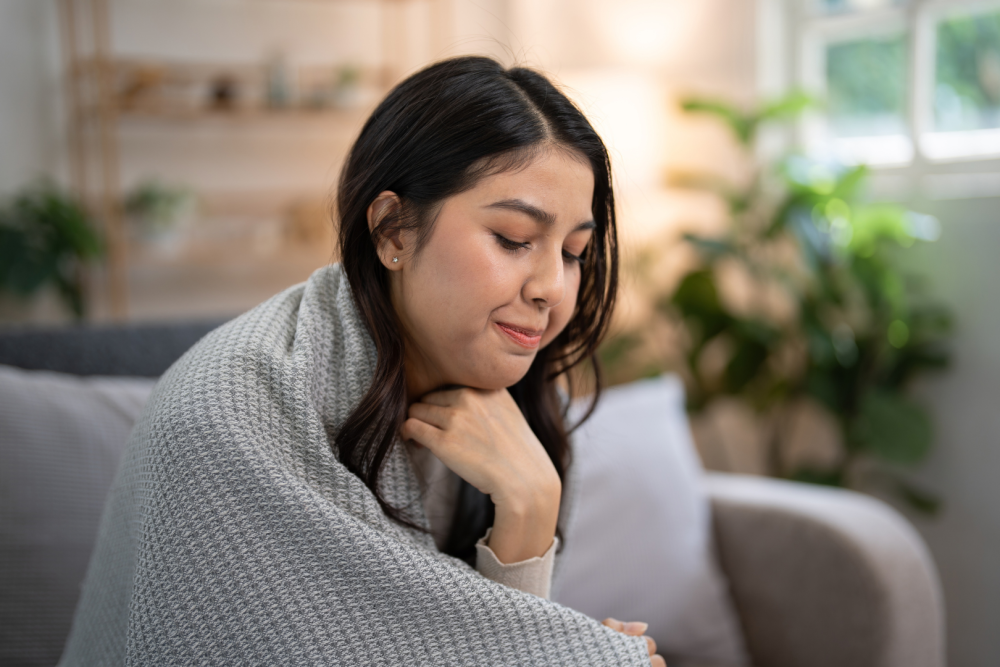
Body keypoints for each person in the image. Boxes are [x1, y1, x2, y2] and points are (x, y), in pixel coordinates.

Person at [60, 56, 665, 666]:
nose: (552, 288)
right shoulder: (227, 411)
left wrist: (529, 515)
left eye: (573, 251)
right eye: (513, 239)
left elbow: (474, 641)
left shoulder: (521, 406)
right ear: (394, 231)